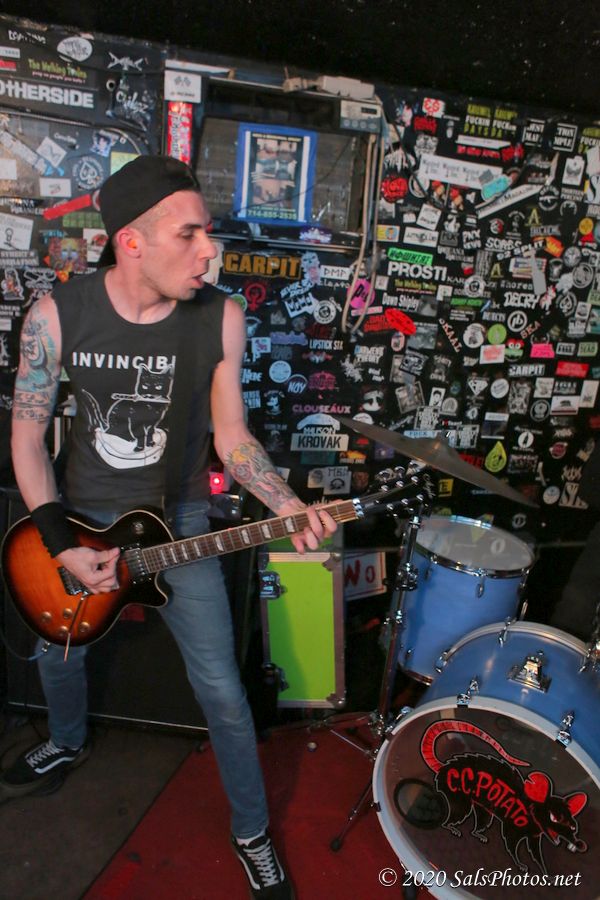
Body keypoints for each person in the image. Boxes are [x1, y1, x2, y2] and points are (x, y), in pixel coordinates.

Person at [2, 155, 336, 900]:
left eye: (206, 233)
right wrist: (60, 542)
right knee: (58, 650)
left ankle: (251, 830)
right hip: (78, 517)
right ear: (132, 241)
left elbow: (231, 436)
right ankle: (66, 740)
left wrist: (283, 502)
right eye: (189, 235)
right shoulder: (55, 316)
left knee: (221, 689)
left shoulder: (220, 316)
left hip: (178, 523)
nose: (209, 251)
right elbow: (27, 438)